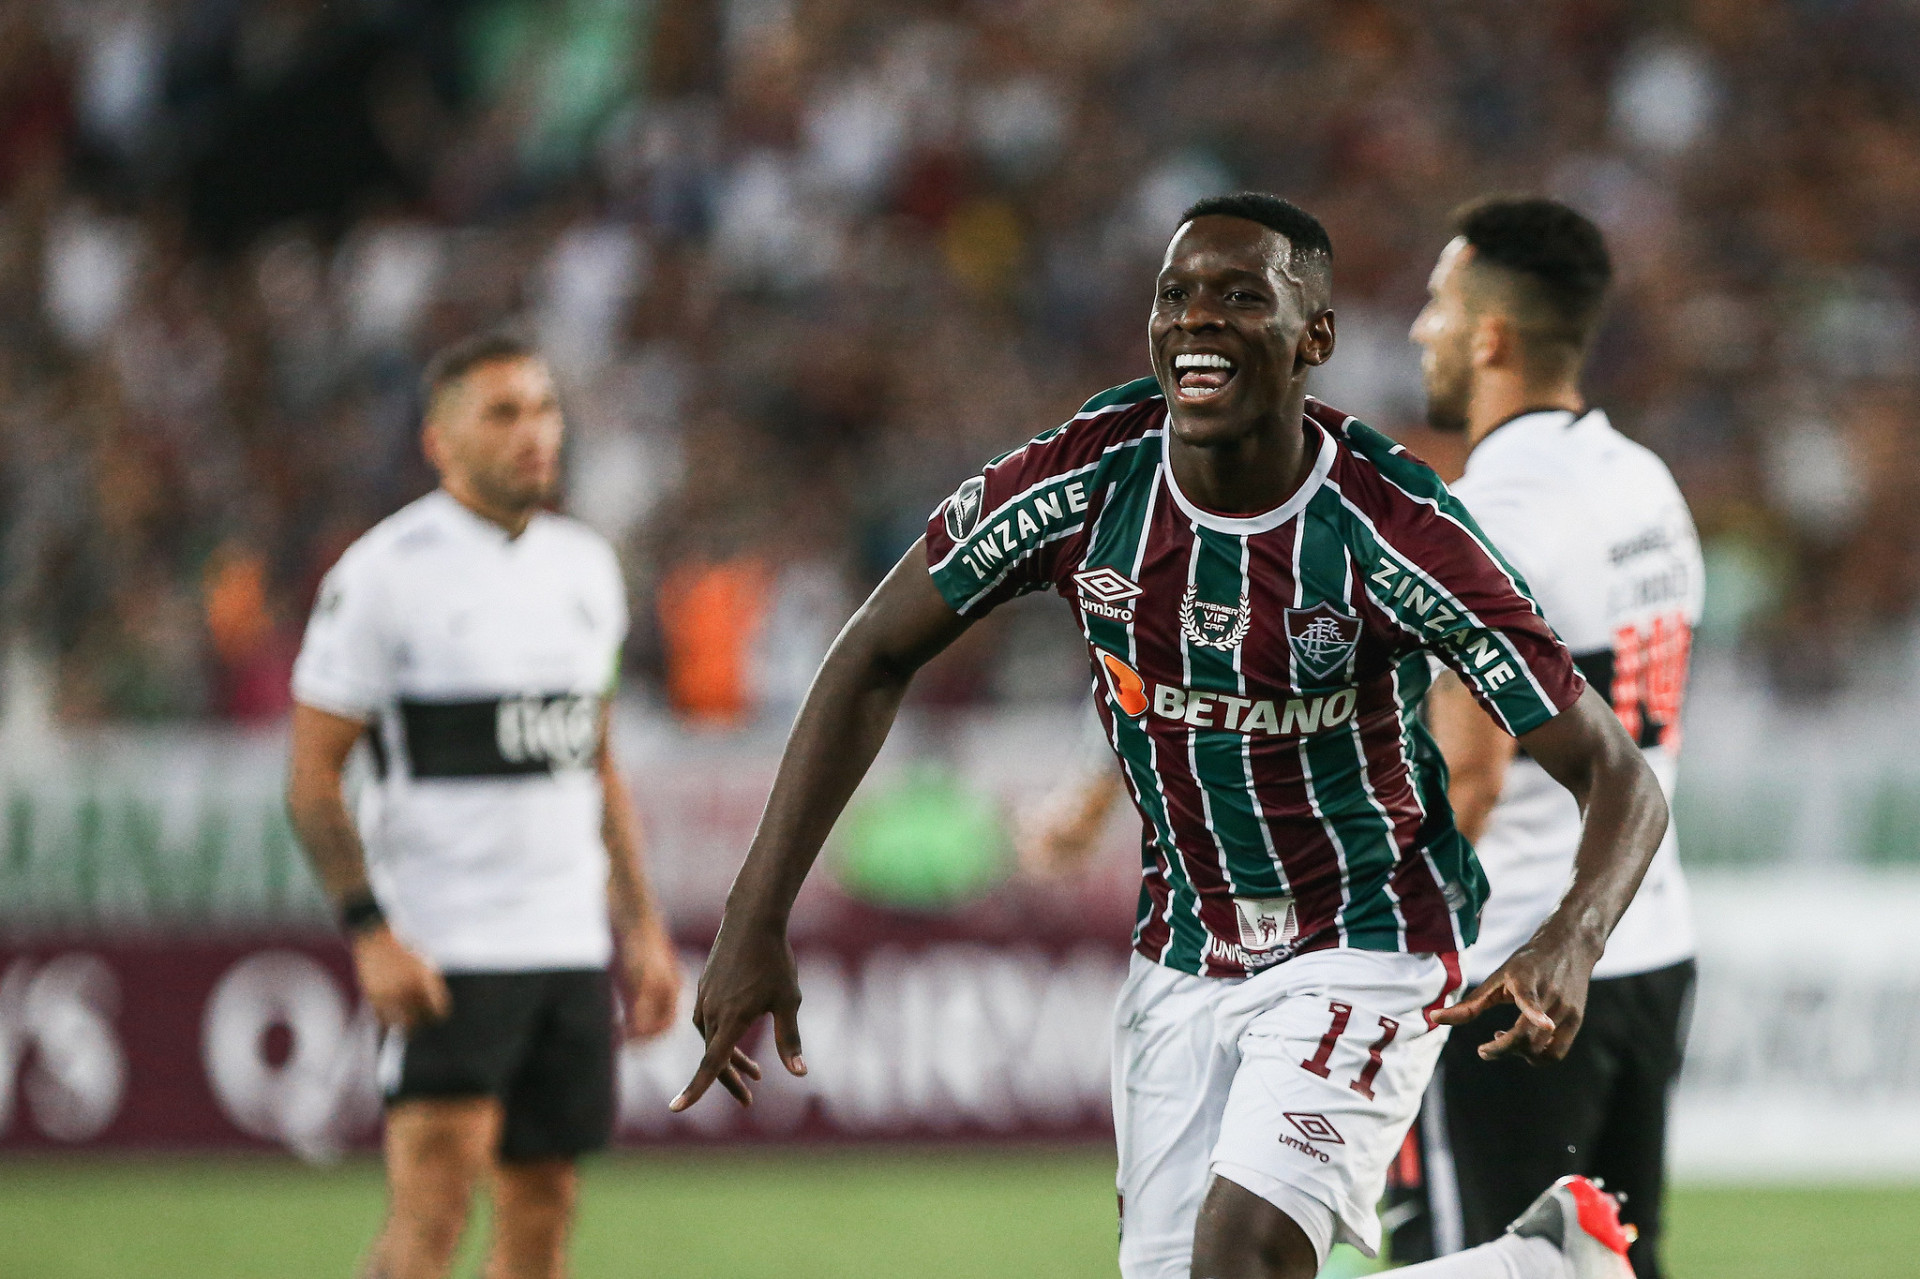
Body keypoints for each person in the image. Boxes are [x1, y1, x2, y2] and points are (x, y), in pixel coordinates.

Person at [669, 192, 1669, 1279]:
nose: (1198, 320)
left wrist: (1573, 933)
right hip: (1184, 950)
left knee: (1237, 1261)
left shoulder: (1397, 529)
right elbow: (872, 651)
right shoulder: (1082, 481)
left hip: (1366, 936)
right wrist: (754, 914)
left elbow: (1617, 774)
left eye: (1242, 297)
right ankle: (1535, 1271)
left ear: (1313, 339)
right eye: (1177, 295)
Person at [285, 332, 691, 1279]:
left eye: (544, 409)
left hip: (566, 945)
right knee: (429, 1220)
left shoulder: (586, 568)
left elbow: (593, 764)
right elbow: (311, 778)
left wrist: (640, 929)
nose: (534, 434)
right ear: (439, 440)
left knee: (544, 1217)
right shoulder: (384, 574)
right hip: (448, 945)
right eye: (502, 413)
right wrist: (371, 932)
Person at [1383, 198, 1702, 1278]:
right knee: (1608, 1264)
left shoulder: (1491, 517)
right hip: (1643, 942)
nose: (1420, 328)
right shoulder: (1646, 485)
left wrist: (1365, 959)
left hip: (1508, 980)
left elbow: (1468, 777)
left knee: (1489, 1264)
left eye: (1437, 303)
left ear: (1491, 337)